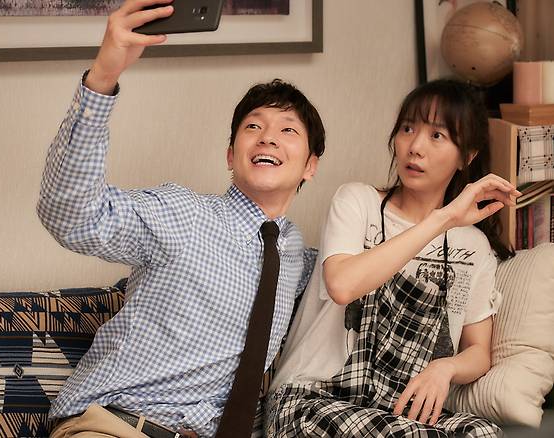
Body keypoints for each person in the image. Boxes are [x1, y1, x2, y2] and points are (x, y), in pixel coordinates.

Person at [36, 1, 326, 437]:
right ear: (230, 155)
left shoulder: (299, 261)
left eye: (288, 129)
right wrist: (103, 78)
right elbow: (72, 216)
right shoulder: (183, 215)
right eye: (253, 126)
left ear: (310, 166)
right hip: (118, 425)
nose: (268, 137)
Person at [263, 79, 519, 437]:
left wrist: (444, 368)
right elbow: (342, 285)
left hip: (396, 410)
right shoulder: (357, 201)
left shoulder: (473, 247)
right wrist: (443, 219)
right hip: (310, 400)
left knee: (483, 433)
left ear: (468, 156)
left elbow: (478, 351)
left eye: (437, 135)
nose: (415, 147)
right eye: (407, 129)